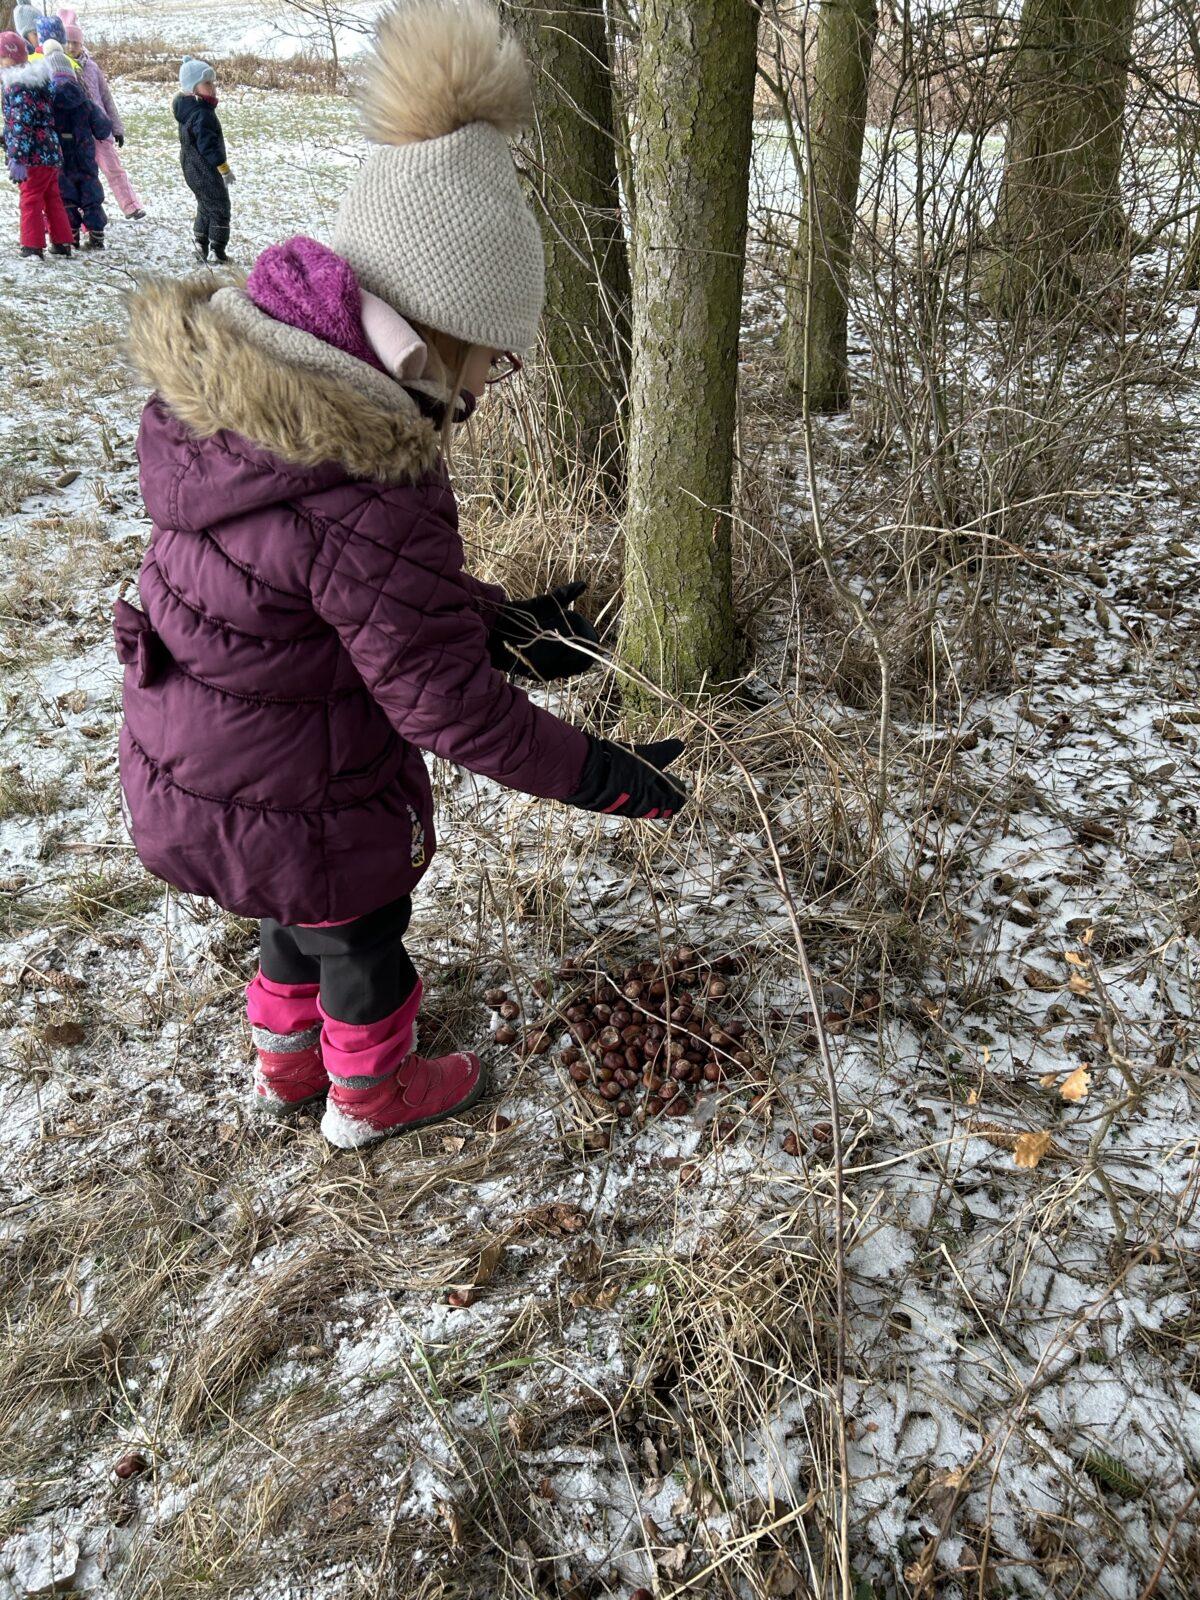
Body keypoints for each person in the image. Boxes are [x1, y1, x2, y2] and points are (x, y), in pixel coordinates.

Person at [116, 0, 687, 1150]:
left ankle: (284, 1067)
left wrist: (510, 627)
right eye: (489, 358)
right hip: (301, 779)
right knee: (359, 925)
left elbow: (339, 595)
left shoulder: (259, 388)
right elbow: (439, 702)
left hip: (204, 757)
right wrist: (603, 776)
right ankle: (370, 1096)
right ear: (434, 333)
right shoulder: (372, 471)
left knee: (291, 914)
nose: (489, 386)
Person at [59, 8, 145, 220]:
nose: (71, 47)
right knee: (80, 176)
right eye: (67, 42)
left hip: (99, 129)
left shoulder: (92, 68)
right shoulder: (61, 69)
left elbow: (106, 98)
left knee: (114, 169)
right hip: (77, 135)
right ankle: (84, 216)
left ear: (82, 44)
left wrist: (116, 128)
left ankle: (131, 205)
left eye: (75, 43)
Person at [0, 29, 73, 259]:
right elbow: (24, 119)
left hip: (33, 154)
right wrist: (6, 137)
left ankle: (32, 246)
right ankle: (62, 242)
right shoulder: (37, 81)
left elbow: (22, 123)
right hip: (50, 151)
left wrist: (18, 158)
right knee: (52, 196)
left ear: (10, 58)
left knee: (30, 198)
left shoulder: (17, 85)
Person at [42, 35, 109, 248]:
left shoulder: (49, 103)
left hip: (61, 158)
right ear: (72, 75)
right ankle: (96, 232)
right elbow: (102, 127)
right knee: (91, 193)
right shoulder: (85, 101)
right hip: (85, 155)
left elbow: (42, 125)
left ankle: (72, 233)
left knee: (66, 197)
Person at [173, 57, 231, 263]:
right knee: (220, 206)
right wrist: (223, 167)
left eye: (213, 83)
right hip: (205, 169)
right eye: (207, 83)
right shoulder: (202, 113)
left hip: (190, 167)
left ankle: (200, 244)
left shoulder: (187, 109)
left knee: (205, 205)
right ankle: (217, 249)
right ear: (193, 88)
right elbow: (208, 145)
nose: (213, 88)